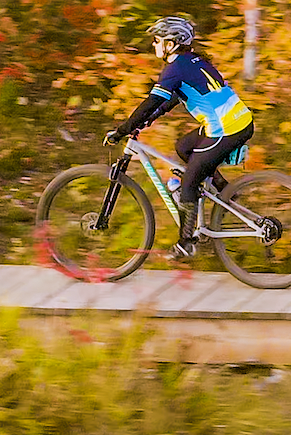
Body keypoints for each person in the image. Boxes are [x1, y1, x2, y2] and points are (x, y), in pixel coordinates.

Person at [106, 15, 256, 260]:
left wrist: (122, 130)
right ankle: (226, 192)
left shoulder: (175, 68)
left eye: (157, 40)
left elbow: (152, 101)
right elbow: (172, 98)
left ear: (171, 43)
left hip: (226, 128)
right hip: (236, 122)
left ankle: (186, 243)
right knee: (184, 147)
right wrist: (147, 120)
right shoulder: (193, 61)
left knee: (188, 183)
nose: (154, 44)